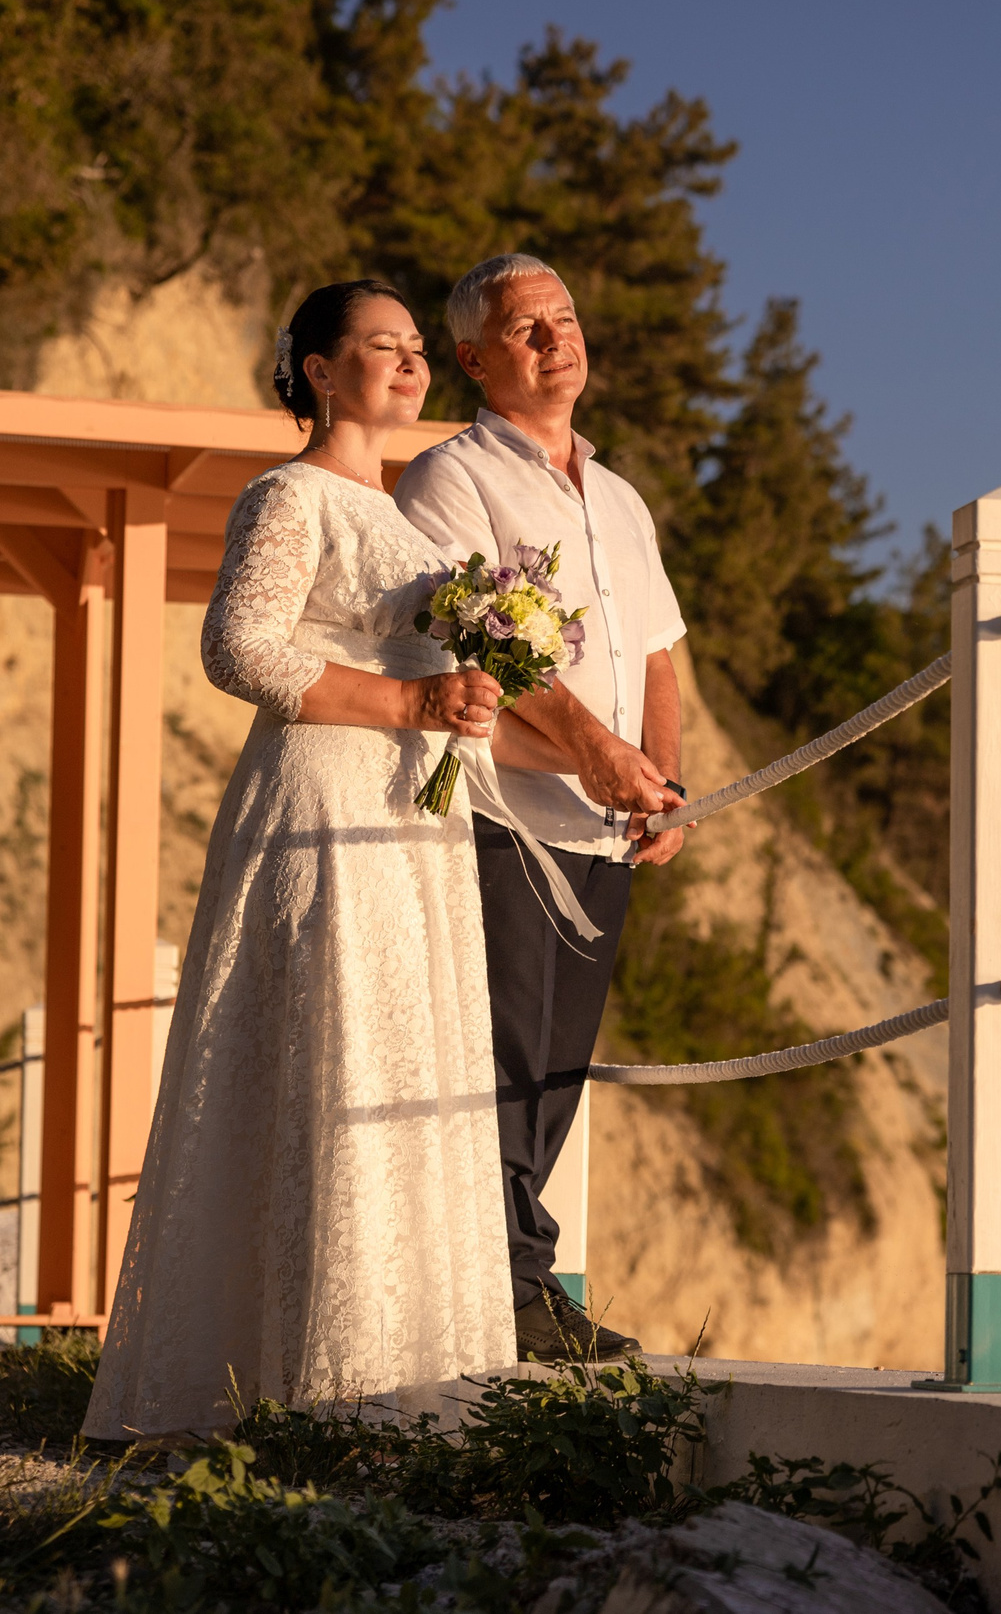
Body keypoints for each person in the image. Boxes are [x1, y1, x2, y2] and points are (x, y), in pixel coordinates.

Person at [84, 280, 582, 1439]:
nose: (410, 367)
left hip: (415, 819)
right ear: (316, 368)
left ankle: (396, 1378)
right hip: (320, 804)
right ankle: (271, 1382)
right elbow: (239, 646)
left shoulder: (415, 525)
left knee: (404, 1065)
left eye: (417, 350)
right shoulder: (287, 493)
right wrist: (411, 698)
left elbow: (449, 695)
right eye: (382, 347)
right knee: (324, 1055)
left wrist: (529, 733)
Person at [396, 254, 690, 1362]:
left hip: (606, 821)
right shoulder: (449, 480)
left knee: (562, 1062)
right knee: (507, 1054)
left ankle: (519, 1285)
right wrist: (593, 754)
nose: (555, 338)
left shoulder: (619, 496)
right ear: (474, 357)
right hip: (502, 808)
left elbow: (659, 651)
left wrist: (659, 775)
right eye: (526, 327)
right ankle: (507, 1294)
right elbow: (470, 649)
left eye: (564, 318)